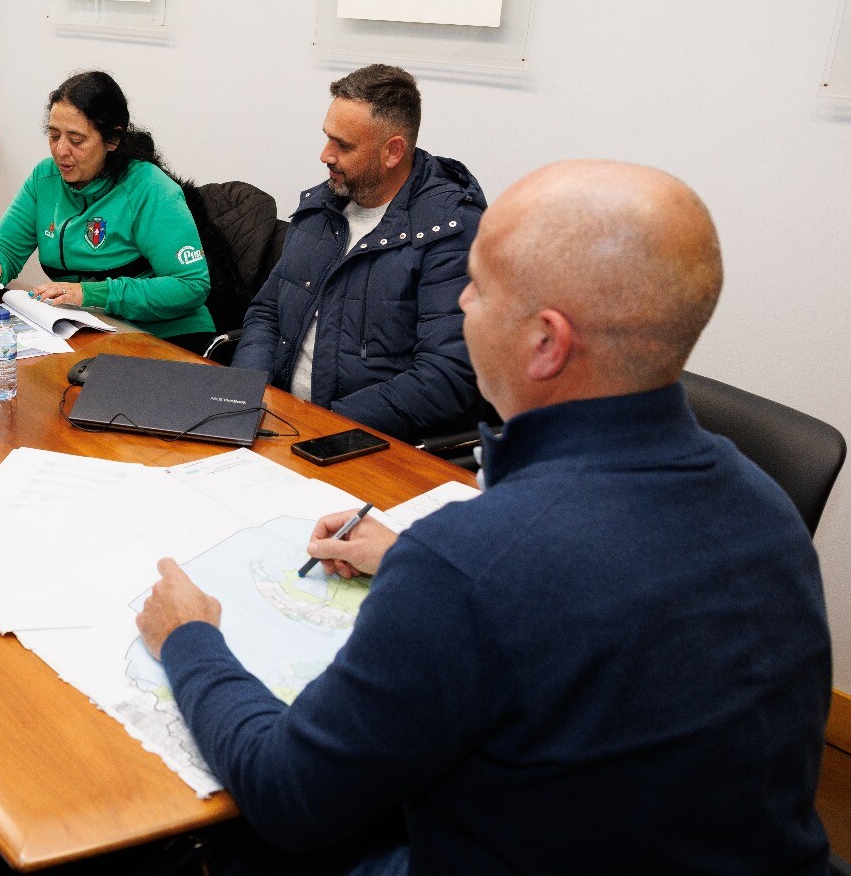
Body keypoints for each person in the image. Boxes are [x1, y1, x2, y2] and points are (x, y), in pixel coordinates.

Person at [136, 160, 831, 874]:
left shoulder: (470, 564)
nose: (461, 303)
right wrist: (408, 558)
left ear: (546, 343)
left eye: (478, 286)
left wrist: (189, 638)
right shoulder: (767, 510)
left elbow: (289, 795)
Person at [233, 64, 484, 442]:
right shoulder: (322, 208)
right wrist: (248, 396)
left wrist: (325, 425)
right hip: (278, 425)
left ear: (392, 151)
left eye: (344, 145)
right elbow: (267, 314)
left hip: (362, 441)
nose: (325, 155)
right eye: (327, 138)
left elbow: (446, 376)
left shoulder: (449, 232)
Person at [0, 71, 213, 347]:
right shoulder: (44, 180)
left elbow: (191, 286)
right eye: (54, 135)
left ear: (112, 139)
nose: (60, 150)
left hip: (169, 338)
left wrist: (89, 294)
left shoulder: (149, 187)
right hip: (91, 333)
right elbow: (3, 248)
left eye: (76, 140)